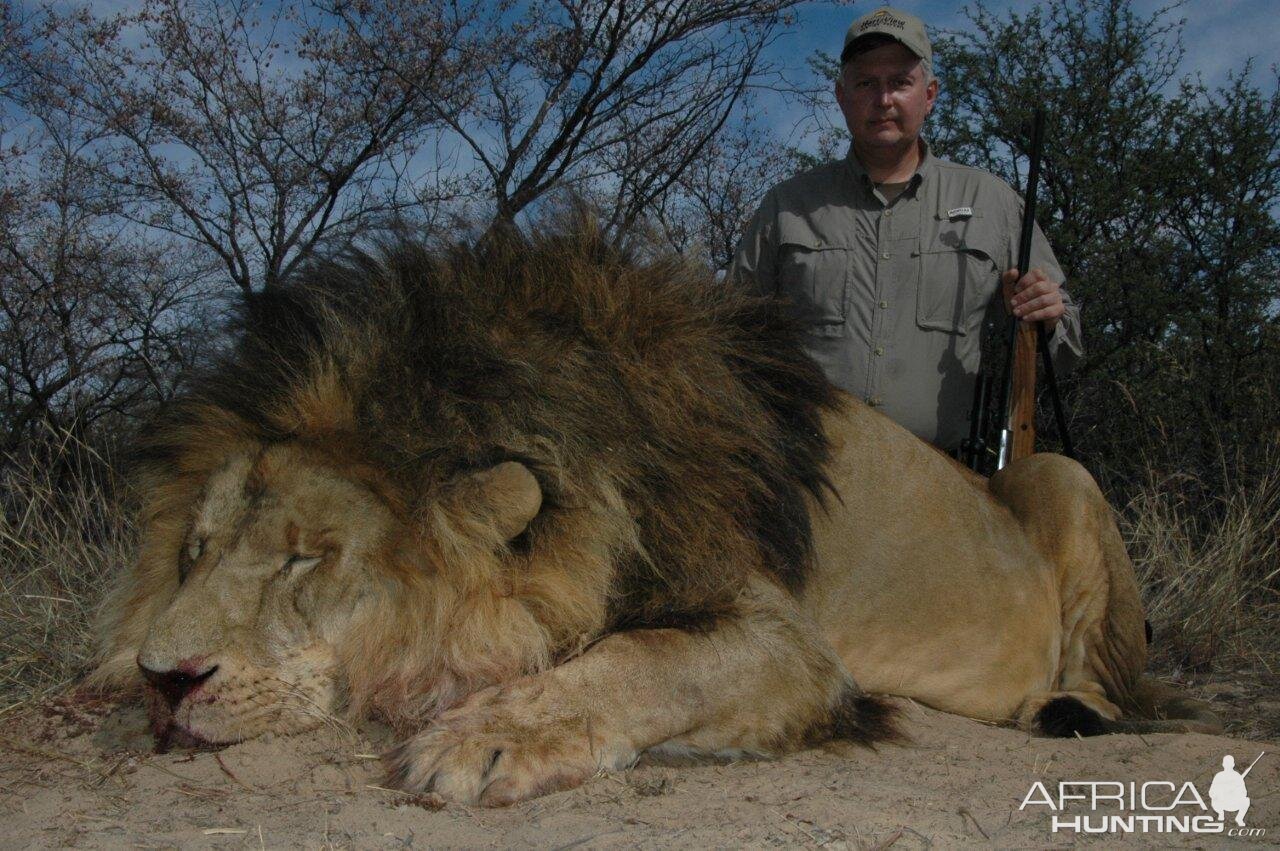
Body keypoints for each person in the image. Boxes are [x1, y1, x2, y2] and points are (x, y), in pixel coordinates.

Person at [729, 6, 1084, 453]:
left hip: (946, 485)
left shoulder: (992, 201)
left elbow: (1067, 345)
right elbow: (731, 339)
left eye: (900, 82)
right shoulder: (787, 204)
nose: (883, 100)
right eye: (866, 84)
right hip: (813, 480)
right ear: (841, 97)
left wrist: (1049, 319)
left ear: (930, 94)